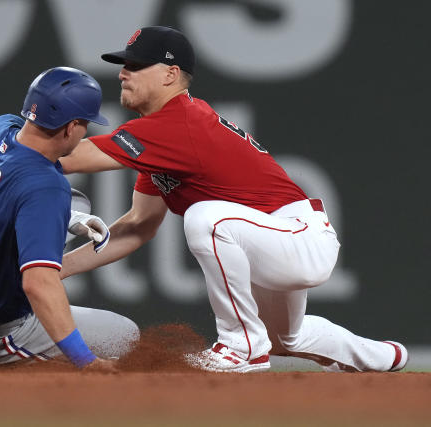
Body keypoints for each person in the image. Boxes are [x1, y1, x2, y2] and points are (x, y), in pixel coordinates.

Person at [56, 26, 408, 373]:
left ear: (170, 74)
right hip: (267, 237)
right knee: (286, 338)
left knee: (205, 218)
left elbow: (67, 158)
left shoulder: (178, 124)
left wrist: (10, 138)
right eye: (124, 65)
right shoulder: (161, 142)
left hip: (298, 235)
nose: (122, 74)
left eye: (135, 66)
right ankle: (387, 357)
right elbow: (137, 226)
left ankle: (240, 348)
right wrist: (58, 269)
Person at [0, 66, 139, 370]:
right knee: (125, 336)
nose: (86, 130)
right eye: (85, 123)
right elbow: (38, 285)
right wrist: (86, 361)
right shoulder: (45, 186)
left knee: (74, 202)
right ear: (70, 128)